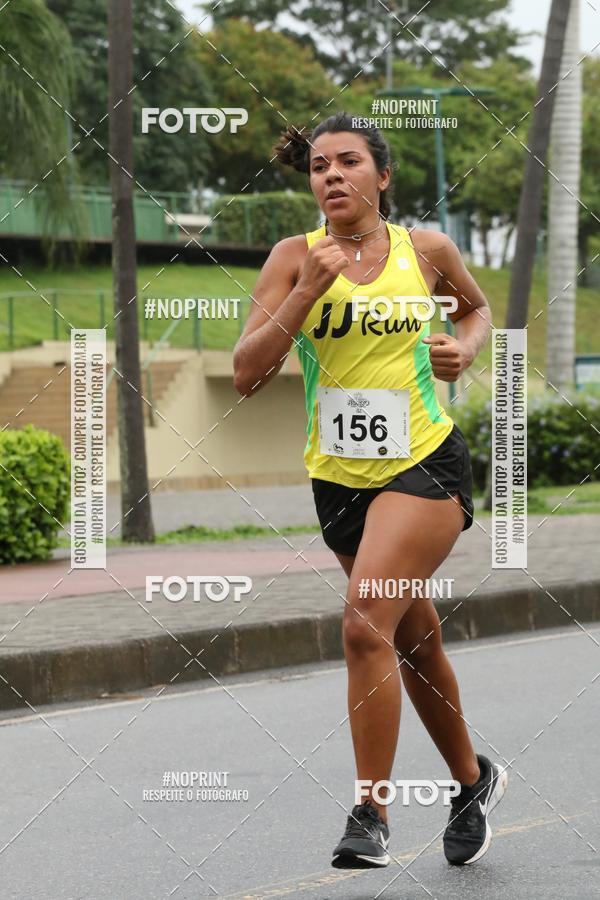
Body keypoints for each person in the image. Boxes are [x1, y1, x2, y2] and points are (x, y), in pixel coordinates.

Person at [233, 112, 508, 870]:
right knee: (411, 640)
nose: (332, 176)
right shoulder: (294, 258)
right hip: (339, 485)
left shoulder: (425, 252)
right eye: (319, 166)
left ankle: (370, 814)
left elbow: (477, 309)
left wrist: (464, 349)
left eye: (348, 162)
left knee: (363, 624)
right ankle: (473, 782)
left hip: (424, 466)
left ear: (381, 177)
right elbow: (247, 373)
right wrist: (303, 295)